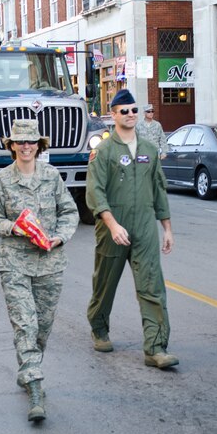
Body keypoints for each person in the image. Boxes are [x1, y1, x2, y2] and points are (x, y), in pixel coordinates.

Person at [0, 119, 79, 422]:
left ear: (39, 145)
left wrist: (60, 236)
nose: (26, 147)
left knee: (42, 327)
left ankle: (27, 368)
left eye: (31, 142)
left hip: (50, 262)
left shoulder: (51, 177)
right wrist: (16, 228)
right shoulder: (2, 180)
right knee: (25, 324)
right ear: (11, 145)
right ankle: (35, 388)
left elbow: (69, 211)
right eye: (20, 142)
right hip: (15, 263)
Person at [85, 89, 178, 369]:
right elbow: (95, 192)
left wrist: (167, 228)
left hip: (144, 225)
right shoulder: (103, 151)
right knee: (105, 284)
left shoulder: (149, 150)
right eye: (124, 110)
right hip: (113, 225)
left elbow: (159, 189)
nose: (130, 115)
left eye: (134, 110)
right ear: (113, 115)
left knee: (152, 286)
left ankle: (155, 348)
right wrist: (112, 224)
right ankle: (99, 328)